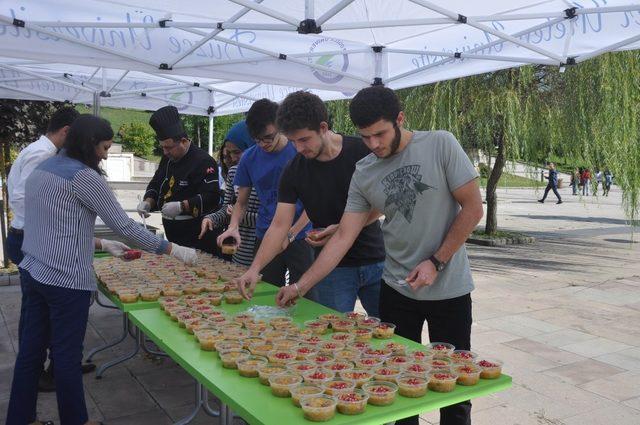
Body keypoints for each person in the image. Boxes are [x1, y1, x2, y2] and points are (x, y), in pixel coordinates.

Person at [275, 86, 484, 425]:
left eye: (380, 134)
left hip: (450, 288)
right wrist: (300, 286)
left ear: (400, 119)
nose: (373, 144)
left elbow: (473, 207)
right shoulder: (365, 171)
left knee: (455, 387)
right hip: (396, 290)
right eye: (365, 136)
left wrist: (436, 261)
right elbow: (344, 235)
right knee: (396, 383)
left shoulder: (440, 143)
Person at [6, 115, 197, 425]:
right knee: (67, 358)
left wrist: (99, 244)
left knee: (30, 353)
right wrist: (171, 250)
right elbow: (123, 226)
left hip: (34, 271)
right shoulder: (84, 177)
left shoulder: (44, 168)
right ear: (88, 144)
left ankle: (20, 418)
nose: (106, 154)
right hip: (65, 281)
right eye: (105, 147)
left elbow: (53, 224)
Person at [234, 91, 384, 316]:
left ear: (323, 127)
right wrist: (254, 269)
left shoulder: (362, 152)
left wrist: (344, 227)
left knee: (390, 338)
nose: (299, 149)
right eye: (293, 141)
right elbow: (279, 225)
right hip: (331, 269)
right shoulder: (294, 170)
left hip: (376, 260)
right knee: (334, 337)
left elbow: (383, 203)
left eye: (304, 139)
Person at [5, 107, 92, 393]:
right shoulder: (43, 155)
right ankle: (46, 370)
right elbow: (20, 196)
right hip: (32, 240)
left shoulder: (39, 151)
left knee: (41, 309)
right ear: (67, 132)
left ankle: (60, 364)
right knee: (39, 313)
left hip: (30, 238)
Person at [217, 99, 314, 288]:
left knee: (304, 295)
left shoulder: (299, 151)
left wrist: (291, 234)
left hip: (301, 236)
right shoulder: (249, 157)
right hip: (266, 235)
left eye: (268, 137)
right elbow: (241, 202)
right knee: (264, 294)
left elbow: (313, 202)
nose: (263, 143)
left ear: (280, 126)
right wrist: (233, 226)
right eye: (257, 139)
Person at [137, 106, 221, 254]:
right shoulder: (167, 159)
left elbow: (211, 196)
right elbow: (157, 182)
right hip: (172, 231)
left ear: (183, 141)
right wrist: (148, 202)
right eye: (162, 147)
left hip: (196, 233)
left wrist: (182, 206)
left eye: (168, 148)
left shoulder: (204, 161)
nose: (165, 152)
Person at [200, 121, 260, 266]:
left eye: (237, 152)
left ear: (251, 146)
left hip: (261, 251)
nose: (233, 158)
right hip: (238, 252)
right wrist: (211, 218)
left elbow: (272, 219)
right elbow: (226, 209)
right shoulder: (233, 172)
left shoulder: (265, 175)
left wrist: (239, 216)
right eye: (229, 153)